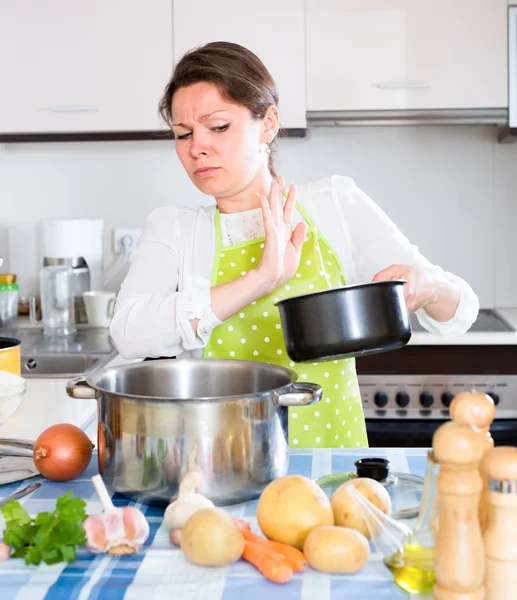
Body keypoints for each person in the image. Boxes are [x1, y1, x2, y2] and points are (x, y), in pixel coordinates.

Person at [110, 41, 479, 449]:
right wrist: (261, 279)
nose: (197, 147)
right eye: (183, 134)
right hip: (224, 467)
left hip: (333, 465)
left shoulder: (335, 204)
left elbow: (460, 312)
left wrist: (426, 284)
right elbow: (129, 333)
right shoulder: (175, 230)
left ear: (267, 124)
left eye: (218, 127)